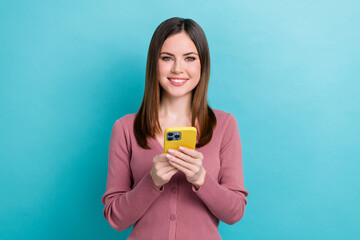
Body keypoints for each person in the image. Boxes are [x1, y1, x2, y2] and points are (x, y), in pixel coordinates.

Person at [101, 17, 249, 240]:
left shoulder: (225, 125)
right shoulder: (125, 128)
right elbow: (116, 218)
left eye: (189, 58)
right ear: (154, 63)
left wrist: (200, 178)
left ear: (203, 64)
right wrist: (152, 180)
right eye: (167, 58)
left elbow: (235, 212)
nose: (178, 69)